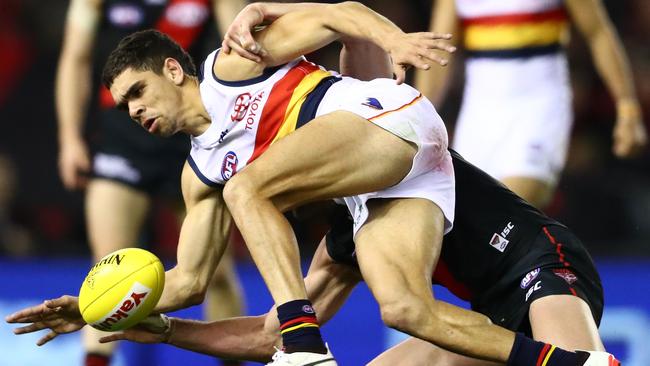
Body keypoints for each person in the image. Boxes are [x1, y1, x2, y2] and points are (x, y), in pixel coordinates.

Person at [6, 2, 617, 366]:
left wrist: (390, 40)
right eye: (123, 106)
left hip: (530, 248)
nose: (135, 111)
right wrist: (106, 314)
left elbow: (338, 14)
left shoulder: (233, 63)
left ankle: (309, 349)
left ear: (174, 69)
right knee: (401, 308)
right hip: (402, 193)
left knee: (249, 190)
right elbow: (196, 287)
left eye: (138, 92)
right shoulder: (219, 182)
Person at [6, 151, 619, 366]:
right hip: (491, 312)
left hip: (542, 263)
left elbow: (365, 61)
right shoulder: (347, 239)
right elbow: (275, 335)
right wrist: (159, 327)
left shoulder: (396, 147)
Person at [54, 0, 247, 365]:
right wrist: (69, 137)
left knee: (216, 275)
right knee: (107, 273)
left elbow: (238, 49)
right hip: (121, 142)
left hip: (190, 141)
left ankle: (234, 359)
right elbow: (75, 59)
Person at [414, 0, 647, 209]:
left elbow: (599, 33)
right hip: (480, 115)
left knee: (512, 208)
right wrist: (416, 120)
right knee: (470, 217)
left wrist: (628, 108)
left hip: (539, 108)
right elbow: (438, 53)